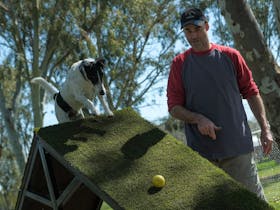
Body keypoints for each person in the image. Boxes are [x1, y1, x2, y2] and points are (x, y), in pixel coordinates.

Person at [167, 7, 274, 201]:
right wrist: (197, 118)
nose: (193, 36)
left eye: (197, 29)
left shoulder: (230, 56)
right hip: (202, 153)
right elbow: (173, 107)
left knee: (254, 203)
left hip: (238, 148)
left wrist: (265, 129)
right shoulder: (179, 64)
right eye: (187, 31)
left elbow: (251, 92)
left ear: (207, 26)